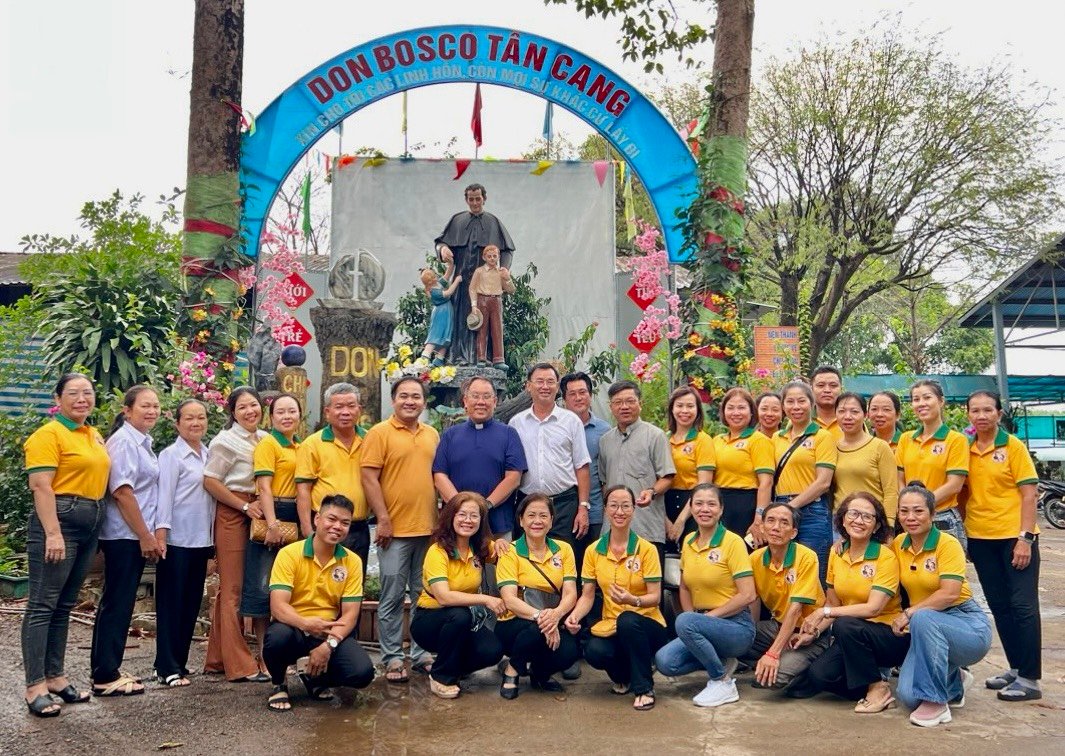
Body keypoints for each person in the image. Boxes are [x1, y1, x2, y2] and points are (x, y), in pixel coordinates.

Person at [21, 373, 110, 717]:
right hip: (60, 523)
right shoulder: (48, 435)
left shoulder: (92, 434)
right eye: (73, 393)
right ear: (58, 399)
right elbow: (41, 486)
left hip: (90, 523)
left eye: (87, 392)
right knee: (43, 604)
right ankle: (35, 687)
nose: (82, 399)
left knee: (64, 604)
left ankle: (55, 677)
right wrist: (53, 533)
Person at [787, 493, 908, 713]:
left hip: (888, 636)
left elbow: (873, 608)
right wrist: (814, 632)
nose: (859, 520)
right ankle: (873, 684)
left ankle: (877, 687)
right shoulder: (836, 553)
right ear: (842, 519)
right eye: (853, 514)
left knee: (844, 624)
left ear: (876, 526)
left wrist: (823, 612)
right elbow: (833, 604)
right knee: (820, 675)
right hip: (852, 637)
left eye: (867, 517)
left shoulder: (885, 556)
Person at [964, 390, 1042, 701]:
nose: (981, 416)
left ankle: (1030, 679)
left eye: (988, 410)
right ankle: (1016, 668)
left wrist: (1025, 538)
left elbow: (1029, 494)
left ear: (999, 414)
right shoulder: (966, 448)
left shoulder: (1012, 446)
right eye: (975, 410)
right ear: (968, 414)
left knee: (1023, 606)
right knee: (1000, 605)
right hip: (981, 537)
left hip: (1014, 537)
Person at [263, 494, 374, 712]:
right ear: (317, 519)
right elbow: (278, 606)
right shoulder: (289, 554)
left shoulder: (351, 561)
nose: (337, 527)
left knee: (362, 673)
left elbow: (350, 614)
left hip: (327, 630)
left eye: (345, 523)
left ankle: (314, 678)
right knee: (277, 638)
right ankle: (279, 683)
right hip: (294, 627)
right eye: (331, 519)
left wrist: (328, 645)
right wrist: (306, 624)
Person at [362, 377, 441, 683]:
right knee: (392, 597)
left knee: (425, 595)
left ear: (424, 401)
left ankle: (421, 654)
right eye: (404, 396)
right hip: (393, 532)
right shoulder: (379, 433)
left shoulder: (432, 434)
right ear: (393, 400)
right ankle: (393, 658)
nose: (410, 401)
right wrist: (382, 518)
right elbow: (369, 478)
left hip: (427, 530)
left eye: (416, 396)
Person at [893, 484, 991, 727]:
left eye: (918, 511)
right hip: (925, 628)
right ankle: (954, 682)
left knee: (923, 617)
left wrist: (909, 613)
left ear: (932, 513)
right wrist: (846, 543)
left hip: (966, 623)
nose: (910, 517)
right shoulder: (899, 543)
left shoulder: (948, 544)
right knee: (908, 696)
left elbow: (949, 594)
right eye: (904, 511)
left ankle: (936, 703)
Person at [566, 485, 668, 711]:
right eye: (613, 505)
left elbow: (655, 597)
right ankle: (625, 677)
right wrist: (575, 616)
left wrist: (633, 600)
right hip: (612, 627)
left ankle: (644, 688)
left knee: (628, 620)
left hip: (647, 624)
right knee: (594, 650)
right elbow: (587, 596)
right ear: (605, 509)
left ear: (634, 510)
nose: (619, 512)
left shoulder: (646, 549)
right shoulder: (594, 551)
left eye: (625, 506)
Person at [654, 484, 756, 708]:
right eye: (698, 504)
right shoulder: (689, 541)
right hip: (701, 623)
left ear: (721, 509)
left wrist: (706, 618)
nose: (705, 509)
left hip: (736, 626)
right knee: (665, 662)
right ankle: (721, 661)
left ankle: (722, 681)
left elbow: (748, 595)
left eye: (711, 504)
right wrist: (692, 620)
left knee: (685, 621)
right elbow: (684, 587)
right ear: (691, 508)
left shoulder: (733, 542)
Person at [91, 385, 161, 697]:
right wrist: (145, 534)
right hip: (124, 534)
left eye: (155, 406)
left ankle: (109, 668)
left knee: (120, 601)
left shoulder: (141, 441)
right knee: (117, 602)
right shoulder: (124, 442)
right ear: (127, 410)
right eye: (145, 406)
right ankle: (105, 675)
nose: (152, 411)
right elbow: (121, 491)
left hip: (132, 533)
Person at [410, 492, 506, 699]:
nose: (467, 520)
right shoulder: (438, 551)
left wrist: (500, 544)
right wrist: (486, 599)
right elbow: (444, 597)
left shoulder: (479, 547)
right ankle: (441, 676)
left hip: (464, 620)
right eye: (462, 514)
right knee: (460, 615)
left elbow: (506, 555)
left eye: (474, 516)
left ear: (481, 521)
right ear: (451, 517)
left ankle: (453, 668)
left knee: (493, 649)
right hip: (430, 621)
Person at [203, 387, 269, 682]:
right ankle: (240, 665)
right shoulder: (225, 441)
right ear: (232, 412)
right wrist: (243, 506)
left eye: (253, 405)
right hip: (234, 512)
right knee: (232, 590)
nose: (249, 411)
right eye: (242, 407)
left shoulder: (265, 438)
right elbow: (210, 481)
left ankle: (218, 658)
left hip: (259, 511)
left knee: (244, 586)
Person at [495, 493, 580, 699]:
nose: (537, 521)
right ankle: (513, 669)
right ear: (521, 520)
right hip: (514, 623)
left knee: (569, 650)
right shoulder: (510, 551)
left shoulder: (564, 549)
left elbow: (570, 593)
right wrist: (542, 617)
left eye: (543, 516)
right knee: (534, 631)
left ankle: (539, 673)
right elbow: (509, 599)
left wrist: (556, 615)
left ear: (551, 521)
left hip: (551, 618)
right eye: (531, 515)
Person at [154, 399, 213, 688]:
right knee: (171, 604)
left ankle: (179, 662)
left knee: (190, 604)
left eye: (200, 417)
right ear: (177, 423)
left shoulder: (209, 454)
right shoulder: (171, 455)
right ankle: (166, 667)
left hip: (201, 540)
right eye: (189, 418)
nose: (195, 423)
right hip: (176, 540)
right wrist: (161, 535)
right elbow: (164, 497)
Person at [744, 502, 828, 690]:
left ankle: (809, 665)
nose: (776, 527)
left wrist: (772, 653)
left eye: (784, 523)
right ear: (762, 527)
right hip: (776, 627)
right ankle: (775, 657)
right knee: (736, 638)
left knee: (771, 680)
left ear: (793, 533)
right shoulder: (755, 558)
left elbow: (796, 610)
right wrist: (748, 630)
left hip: (807, 632)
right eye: (770, 521)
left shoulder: (806, 556)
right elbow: (751, 599)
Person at [509, 363, 592, 551]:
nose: (545, 386)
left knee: (562, 556)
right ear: (528, 386)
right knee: (526, 557)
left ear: (557, 387)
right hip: (527, 503)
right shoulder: (516, 423)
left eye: (550, 382)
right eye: (539, 381)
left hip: (563, 504)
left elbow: (582, 466)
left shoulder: (571, 421)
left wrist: (583, 507)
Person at [433, 376, 526, 539]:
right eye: (475, 396)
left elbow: (513, 478)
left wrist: (486, 505)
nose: (481, 402)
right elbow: (440, 476)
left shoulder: (508, 434)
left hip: (498, 523)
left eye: (486, 396)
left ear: (495, 401)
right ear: (465, 401)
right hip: (458, 522)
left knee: (500, 556)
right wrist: (462, 508)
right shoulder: (450, 435)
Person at [242, 393, 303, 640]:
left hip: (295, 513)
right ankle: (264, 653)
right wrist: (272, 523)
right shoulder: (268, 444)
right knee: (262, 582)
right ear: (271, 417)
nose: (287, 416)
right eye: (280, 412)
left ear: (300, 415)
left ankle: (282, 647)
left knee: (288, 581)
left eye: (292, 411)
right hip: (274, 511)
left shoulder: (300, 445)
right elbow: (264, 487)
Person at [435, 183, 516, 365]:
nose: (474, 203)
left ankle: (484, 358)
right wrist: (443, 250)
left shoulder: (493, 222)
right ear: (466, 200)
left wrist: (504, 269)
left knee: (487, 322)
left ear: (484, 199)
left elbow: (507, 250)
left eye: (478, 199)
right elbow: (440, 243)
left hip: (486, 284)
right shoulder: (457, 220)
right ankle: (459, 357)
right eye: (471, 199)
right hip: (461, 283)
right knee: (460, 320)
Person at [598, 380, 676, 568]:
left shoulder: (655, 435)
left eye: (630, 401)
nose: (624, 407)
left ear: (640, 404)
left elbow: (667, 476)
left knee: (649, 581)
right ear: (611, 407)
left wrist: (651, 492)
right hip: (613, 530)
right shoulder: (605, 441)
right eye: (618, 402)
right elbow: (604, 482)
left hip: (646, 525)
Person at [295, 383, 370, 568]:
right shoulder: (312, 444)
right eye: (339, 407)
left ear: (359, 410)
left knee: (355, 578)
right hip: (325, 527)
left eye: (351, 406)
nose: (345, 412)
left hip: (359, 526)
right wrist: (307, 529)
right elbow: (303, 489)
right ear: (327, 412)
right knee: (321, 577)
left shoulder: (371, 440)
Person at [772, 380, 837, 583]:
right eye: (790, 402)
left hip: (813, 511)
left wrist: (790, 507)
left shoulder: (822, 436)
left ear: (812, 403)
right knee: (784, 570)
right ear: (783, 406)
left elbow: (824, 482)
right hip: (781, 507)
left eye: (801, 401)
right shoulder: (776, 438)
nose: (796, 407)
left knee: (814, 570)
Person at [895, 379, 969, 550]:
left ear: (941, 401)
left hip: (942, 518)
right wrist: (910, 510)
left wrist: (921, 506)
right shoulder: (906, 439)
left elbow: (954, 485)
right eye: (916, 399)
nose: (921, 403)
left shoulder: (955, 440)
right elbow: (899, 479)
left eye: (927, 397)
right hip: (911, 519)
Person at [711, 387, 774, 545]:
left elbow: (766, 482)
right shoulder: (717, 441)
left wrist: (759, 518)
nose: (736, 413)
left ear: (752, 412)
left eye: (741, 408)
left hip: (747, 505)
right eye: (730, 408)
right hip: (720, 505)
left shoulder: (758, 440)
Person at [560, 370, 611, 564]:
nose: (578, 398)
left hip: (595, 511)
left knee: (596, 566)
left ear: (590, 395)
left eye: (582, 392)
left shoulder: (604, 431)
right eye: (572, 394)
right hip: (565, 512)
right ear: (564, 399)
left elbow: (606, 473)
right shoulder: (557, 428)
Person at [833, 393, 899, 528]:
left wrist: (888, 526)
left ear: (865, 415)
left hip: (871, 522)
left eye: (854, 411)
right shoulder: (832, 448)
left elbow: (891, 491)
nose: (847, 416)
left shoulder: (880, 447)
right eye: (842, 411)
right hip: (841, 524)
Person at [663, 386, 715, 554]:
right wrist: (665, 520)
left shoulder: (703, 440)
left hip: (693, 506)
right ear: (672, 409)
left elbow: (703, 485)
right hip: (664, 505)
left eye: (690, 406)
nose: (684, 411)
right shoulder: (663, 439)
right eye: (679, 405)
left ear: (698, 410)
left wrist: (681, 520)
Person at [468, 244, 516, 369]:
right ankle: (481, 357)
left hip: (496, 301)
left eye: (495, 256)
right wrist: (474, 305)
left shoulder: (501, 272)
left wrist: (508, 279)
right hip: (482, 300)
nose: (492, 259)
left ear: (499, 256)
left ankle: (499, 359)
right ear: (484, 257)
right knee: (482, 329)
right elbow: (472, 288)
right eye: (489, 256)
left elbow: (511, 290)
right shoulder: (479, 271)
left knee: (497, 329)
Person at [420, 261, 462, 366]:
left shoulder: (437, 284)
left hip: (446, 313)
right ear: (429, 282)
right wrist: (456, 281)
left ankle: (439, 359)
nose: (436, 278)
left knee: (445, 336)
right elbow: (448, 293)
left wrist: (451, 264)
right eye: (433, 278)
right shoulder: (434, 292)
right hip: (441, 314)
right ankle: (425, 357)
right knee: (436, 334)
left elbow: (447, 275)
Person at [810, 366, 844, 440]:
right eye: (821, 385)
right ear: (811, 389)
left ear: (841, 389)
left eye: (833, 385)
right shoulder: (802, 419)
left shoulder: (851, 419)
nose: (827, 390)